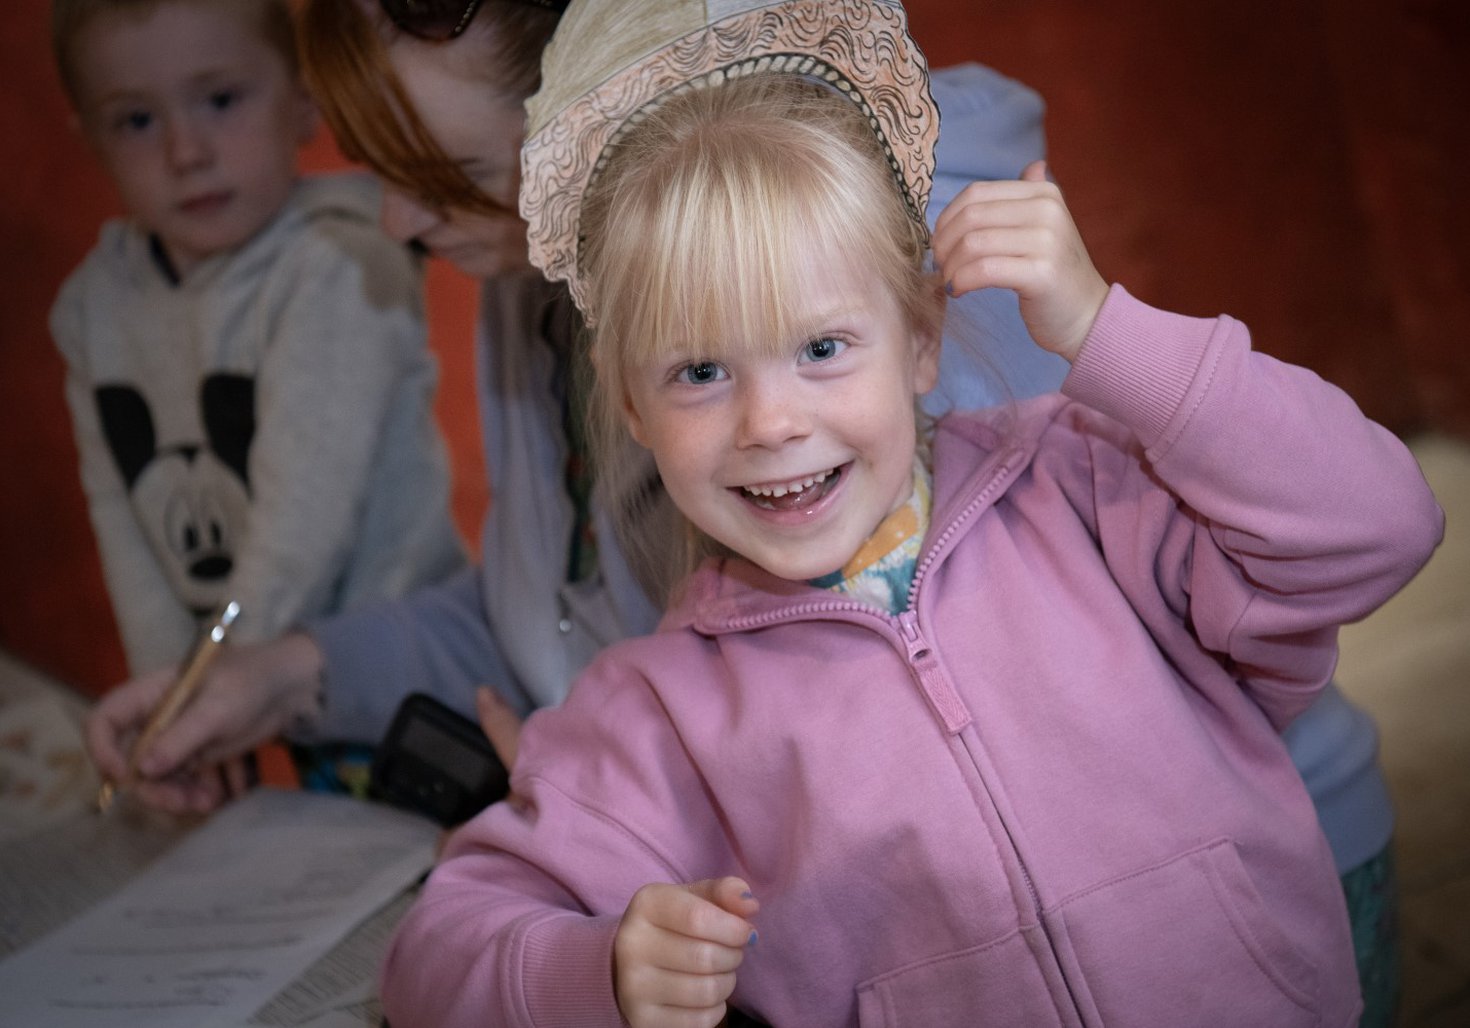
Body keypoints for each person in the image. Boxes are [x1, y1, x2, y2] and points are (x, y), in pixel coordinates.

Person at [78, 1, 1412, 1019]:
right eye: (700, 373)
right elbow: (455, 927)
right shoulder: (660, 697)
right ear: (629, 395)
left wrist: (1115, 337)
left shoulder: (1064, 481)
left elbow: (1363, 527)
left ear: (923, 332)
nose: (771, 419)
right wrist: (592, 969)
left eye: (440, 170)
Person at [49, 0, 464, 687]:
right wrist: (163, 683)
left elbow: (300, 532)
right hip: (244, 671)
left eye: (220, 99)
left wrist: (196, 696)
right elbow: (119, 515)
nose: (186, 153)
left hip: (401, 661)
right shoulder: (95, 308)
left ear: (303, 101)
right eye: (137, 120)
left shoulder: (339, 266)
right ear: (92, 139)